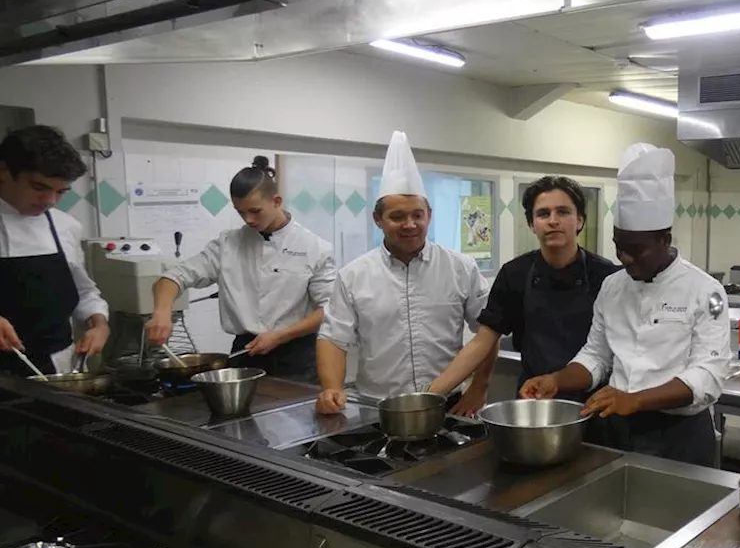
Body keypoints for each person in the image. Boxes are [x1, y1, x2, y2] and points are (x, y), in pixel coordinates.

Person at [520, 143, 729, 466]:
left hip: (680, 436)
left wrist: (636, 399)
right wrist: (556, 380)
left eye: (637, 249)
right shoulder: (612, 286)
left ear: (665, 240)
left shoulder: (708, 292)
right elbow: (596, 355)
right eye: (619, 247)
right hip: (616, 430)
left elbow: (708, 375)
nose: (625, 258)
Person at [316, 131, 492, 414]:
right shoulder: (353, 276)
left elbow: (488, 330)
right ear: (378, 219)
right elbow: (333, 338)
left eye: (417, 215)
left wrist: (479, 388)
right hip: (378, 406)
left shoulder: (461, 268)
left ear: (428, 216)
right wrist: (331, 388)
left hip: (448, 403)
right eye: (397, 217)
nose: (409, 224)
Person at [426, 175, 618, 410]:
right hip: (534, 397)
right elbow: (483, 342)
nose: (553, 221)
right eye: (543, 214)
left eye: (563, 212)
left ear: (580, 221)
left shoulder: (608, 276)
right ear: (532, 224)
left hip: (594, 400)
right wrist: (431, 395)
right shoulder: (514, 274)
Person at [146, 157, 336, 383]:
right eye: (240, 212)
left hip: (296, 357)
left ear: (276, 201)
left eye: (255, 211)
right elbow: (172, 278)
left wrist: (279, 336)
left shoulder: (314, 247)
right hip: (245, 352)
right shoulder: (228, 244)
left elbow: (330, 310)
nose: (248, 219)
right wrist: (161, 313)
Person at [0, 125, 110, 376]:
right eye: (39, 187)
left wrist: (100, 324)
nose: (50, 201)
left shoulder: (65, 226)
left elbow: (83, 291)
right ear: (3, 171)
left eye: (60, 192)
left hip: (58, 369)